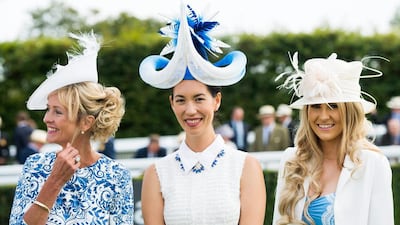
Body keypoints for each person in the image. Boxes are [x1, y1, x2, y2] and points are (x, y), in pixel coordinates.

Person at [138, 3, 266, 225]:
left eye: (199, 99)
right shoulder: (156, 174)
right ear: (171, 104)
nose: (190, 110)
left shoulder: (245, 167)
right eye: (180, 100)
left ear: (216, 101)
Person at [9, 32, 134, 224]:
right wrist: (54, 181)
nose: (46, 118)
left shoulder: (117, 175)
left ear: (86, 122)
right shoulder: (34, 166)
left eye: (57, 112)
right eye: (48, 110)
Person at [273, 52, 394, 225]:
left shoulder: (372, 163)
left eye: (333, 106)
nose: (323, 116)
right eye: (315, 106)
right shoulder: (291, 160)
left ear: (350, 112)